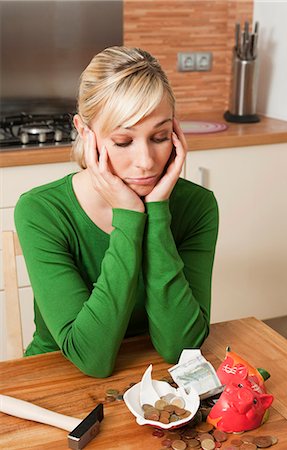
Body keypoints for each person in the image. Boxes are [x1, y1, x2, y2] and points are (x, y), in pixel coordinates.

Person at [14, 47, 219, 378]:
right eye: (123, 141)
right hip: (57, 376)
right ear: (86, 133)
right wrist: (128, 218)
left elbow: (181, 349)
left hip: (151, 371)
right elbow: (91, 357)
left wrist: (156, 213)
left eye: (160, 136)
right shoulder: (41, 211)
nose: (146, 161)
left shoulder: (197, 207)